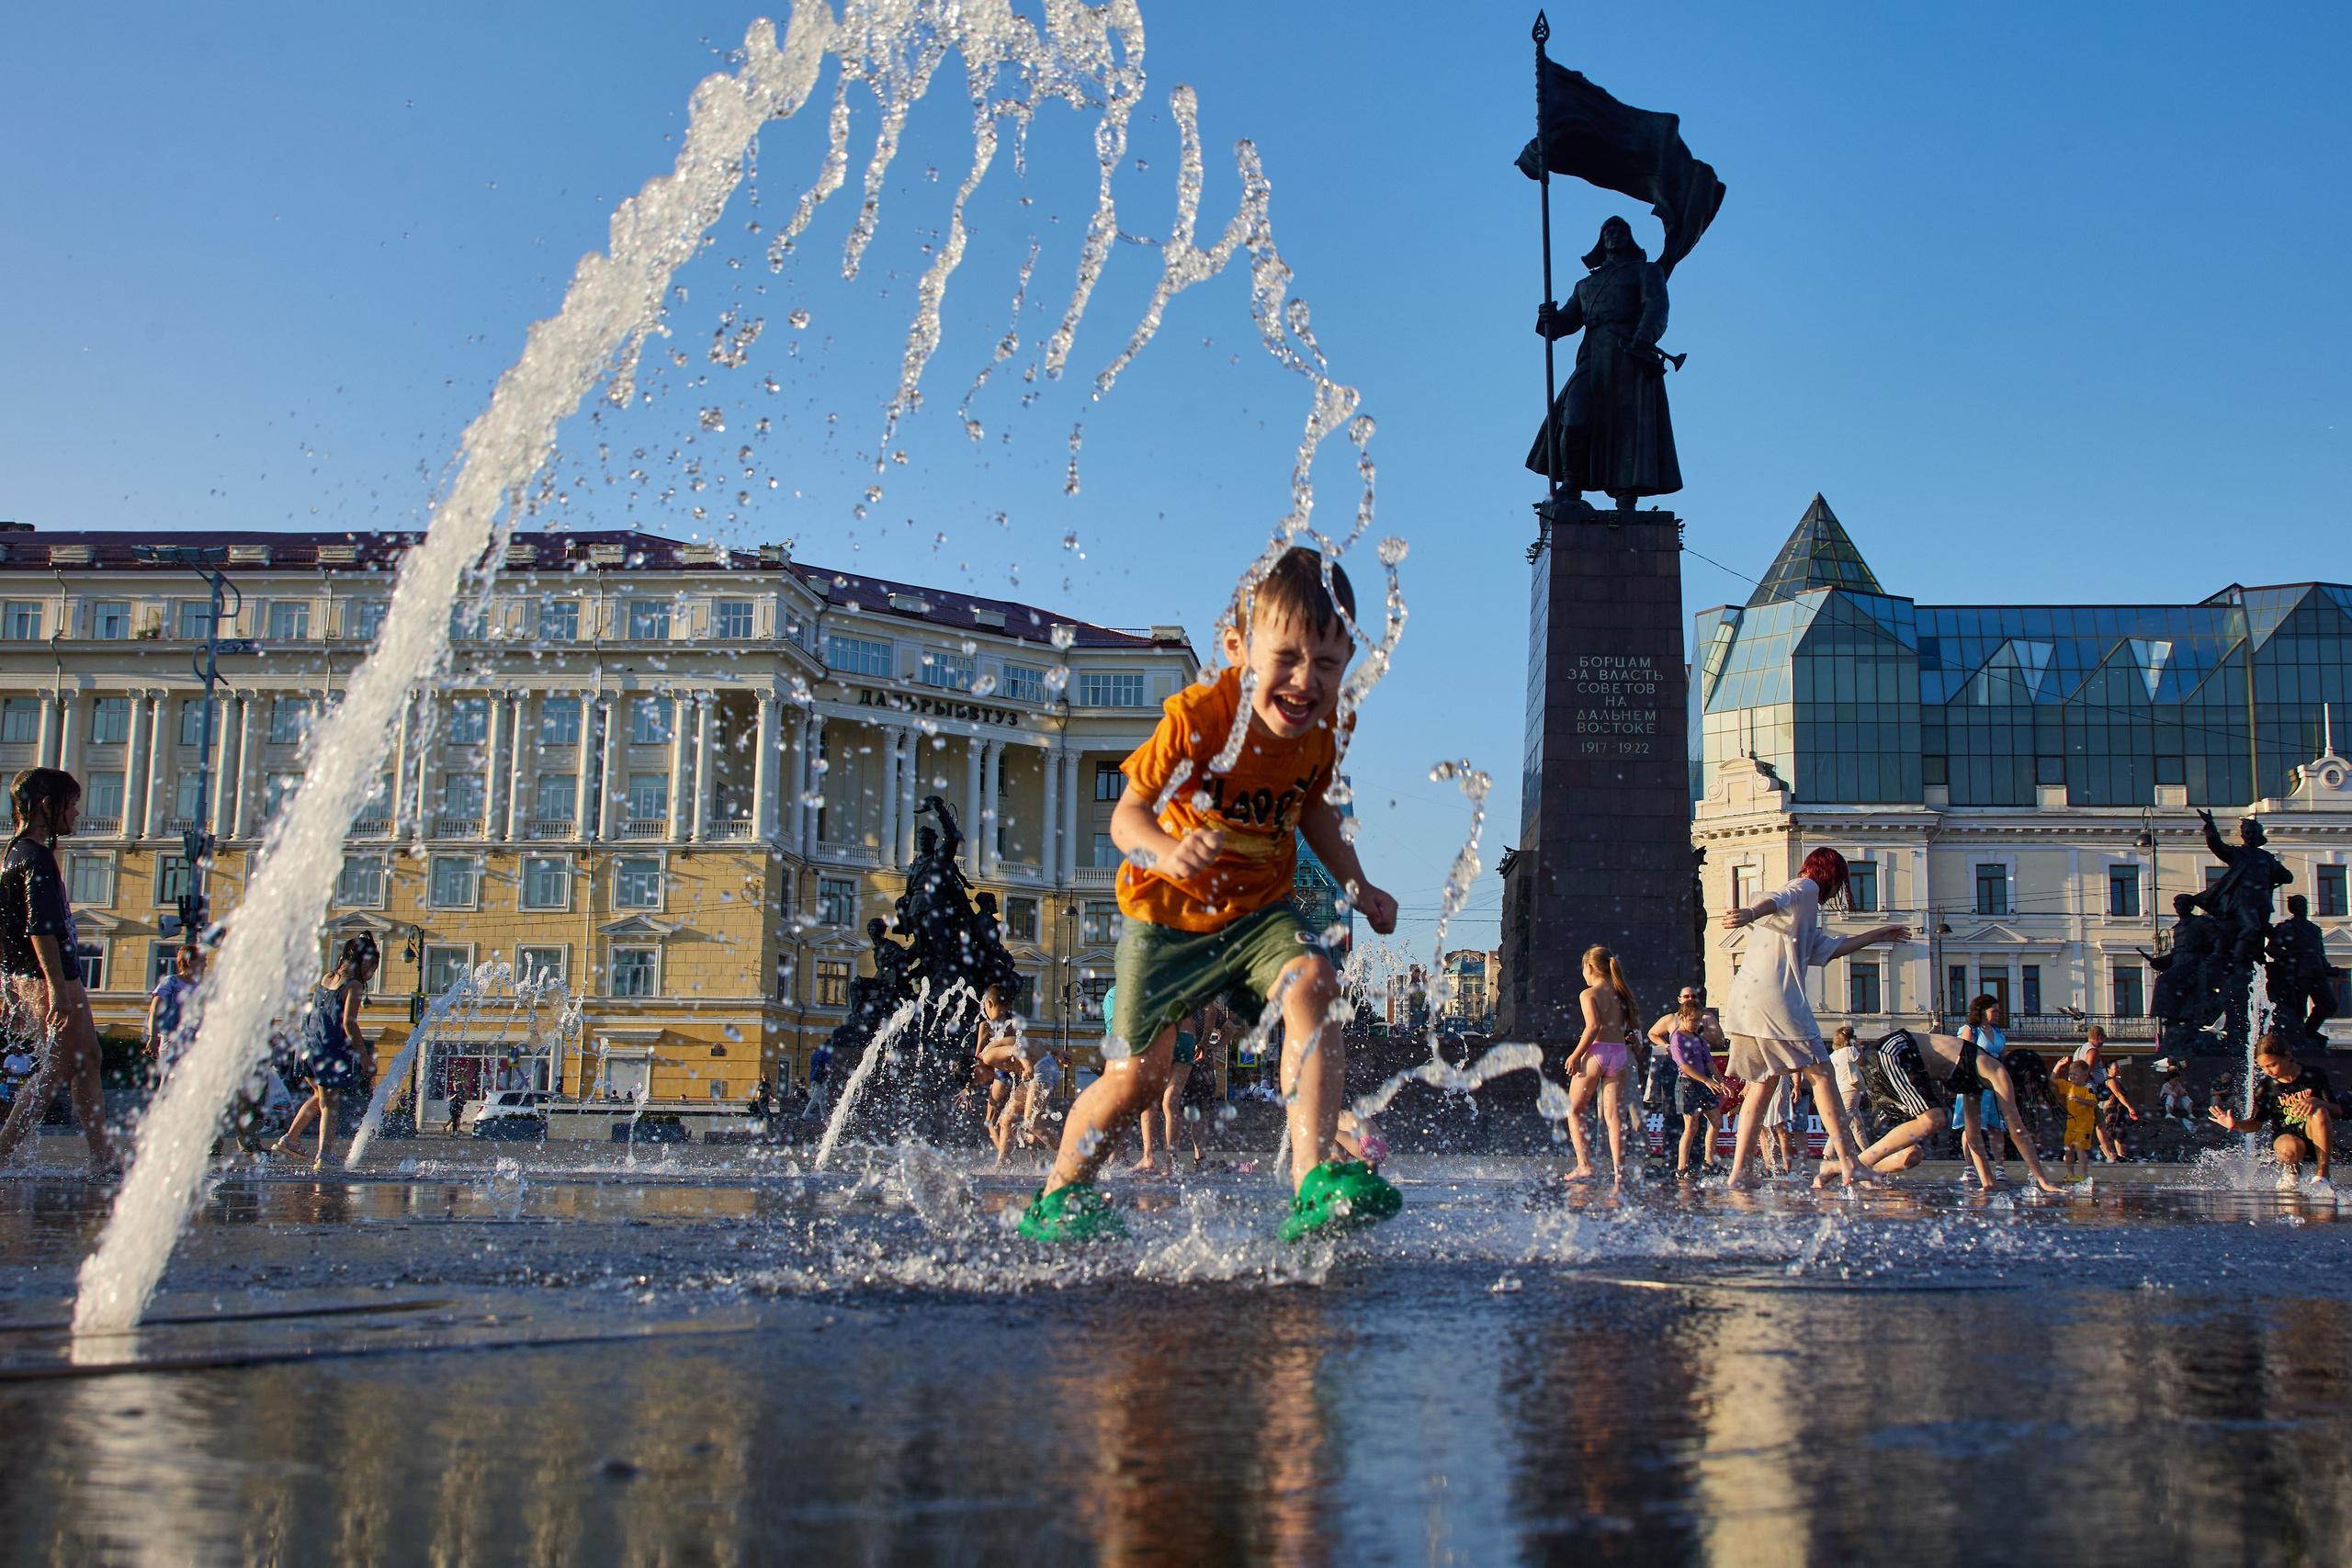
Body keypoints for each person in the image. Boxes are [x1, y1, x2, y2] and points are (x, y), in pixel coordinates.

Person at [1020, 547, 1402, 1243]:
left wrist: (1358, 882)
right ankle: (1060, 1194)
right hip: (1167, 917)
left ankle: (1311, 1179)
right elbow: (1125, 816)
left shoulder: (1324, 731)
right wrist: (1169, 851)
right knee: (1136, 1078)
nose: (1304, 681)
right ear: (1238, 647)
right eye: (1285, 657)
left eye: (1327, 663)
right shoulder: (1201, 715)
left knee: (1315, 983)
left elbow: (1314, 809)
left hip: (1259, 912)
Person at [1719, 848, 1906, 1189]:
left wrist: (1877, 935)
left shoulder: (1801, 917)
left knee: (1761, 1086)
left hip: (1745, 1001)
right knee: (1822, 1075)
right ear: (1830, 875)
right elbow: (1776, 898)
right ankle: (1850, 1164)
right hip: (1777, 1000)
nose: (1838, 892)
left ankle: (1739, 1172)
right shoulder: (1805, 889)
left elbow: (1829, 949)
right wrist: (1749, 911)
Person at [0, 768, 121, 1173]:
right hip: (48, 975)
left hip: (50, 974)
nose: (75, 815)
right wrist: (56, 988)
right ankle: (3, 1151)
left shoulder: (17, 853)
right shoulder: (34, 856)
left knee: (87, 1056)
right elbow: (40, 927)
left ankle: (103, 1157)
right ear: (46, 807)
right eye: (70, 805)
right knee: (62, 1065)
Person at [1851, 1027, 2064, 1192]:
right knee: (1934, 1119)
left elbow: (1973, 1136)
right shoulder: (1996, 1071)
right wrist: (2043, 1181)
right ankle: (1856, 1166)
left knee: (1912, 1152)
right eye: (2031, 1085)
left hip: (1892, 1056)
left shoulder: (1977, 1077)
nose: (2028, 1091)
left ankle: (1864, 1170)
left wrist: (1988, 1183)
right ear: (2026, 1075)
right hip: (1893, 1051)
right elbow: (2017, 1130)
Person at [272, 935, 377, 1165]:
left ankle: (290, 1139)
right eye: (372, 967)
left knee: (320, 1095)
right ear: (366, 962)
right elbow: (350, 1023)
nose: (372, 974)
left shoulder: (327, 978)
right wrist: (364, 1058)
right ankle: (325, 1156)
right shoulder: (353, 985)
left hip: (310, 1044)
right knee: (330, 1103)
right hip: (329, 1048)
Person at [1561, 945, 1641, 1186]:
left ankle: (1584, 1165)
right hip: (1618, 1054)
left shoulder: (1589, 994)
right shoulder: (1623, 993)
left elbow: (1593, 1027)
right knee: (1615, 1117)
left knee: (1574, 1110)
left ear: (1589, 968)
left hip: (1595, 1053)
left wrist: (1576, 1055)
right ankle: (1619, 1172)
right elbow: (1633, 1030)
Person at [2209, 1032, 2332, 1188]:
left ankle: (2322, 1174)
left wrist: (2315, 1101)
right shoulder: (2265, 1088)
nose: (2268, 1071)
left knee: (2320, 1111)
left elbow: (2338, 1111)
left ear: (2287, 1056)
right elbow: (2256, 1123)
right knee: (2289, 1150)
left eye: (2272, 1065)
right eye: (2263, 1067)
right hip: (2287, 1141)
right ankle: (2291, 1172)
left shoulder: (2314, 1075)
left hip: (2316, 1137)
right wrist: (2236, 1125)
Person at [1651, 987, 1728, 1176]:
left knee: (1716, 1121)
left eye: (1698, 1021)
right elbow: (1684, 1065)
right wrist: (1706, 1081)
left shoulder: (1698, 1038)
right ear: (1682, 1017)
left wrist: (1720, 1080)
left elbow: (1709, 1061)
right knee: (1690, 1126)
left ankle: (1708, 1160)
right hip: (1687, 1085)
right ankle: (1681, 1166)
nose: (1696, 1025)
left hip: (1703, 1083)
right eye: (1693, 1021)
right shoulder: (1677, 1037)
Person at [1135, 1003, 1209, 1175]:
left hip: (1160, 1034)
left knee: (1150, 1100)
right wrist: (1204, 1041)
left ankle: (1149, 1158)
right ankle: (1168, 1161)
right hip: (1186, 1036)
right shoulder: (1189, 977)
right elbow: (1209, 1008)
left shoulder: (1156, 976)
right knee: (1170, 1103)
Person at [1956, 995, 2010, 1186]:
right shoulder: (1970, 1030)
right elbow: (1965, 1055)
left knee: (1996, 1127)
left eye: (1998, 1011)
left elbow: (2003, 1054)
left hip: (1994, 1083)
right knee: (1971, 1126)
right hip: (1975, 1083)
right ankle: (1970, 1167)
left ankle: (2000, 1167)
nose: (1997, 1015)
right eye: (1993, 1011)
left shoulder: (1996, 1031)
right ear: (1981, 1011)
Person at [147, 943, 206, 1076]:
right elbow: (154, 1010)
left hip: (193, 1044)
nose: (205, 966)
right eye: (202, 961)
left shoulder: (200, 988)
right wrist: (153, 1037)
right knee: (168, 1084)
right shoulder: (171, 982)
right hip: (171, 1041)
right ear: (190, 962)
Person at [2054, 1058, 2098, 1181]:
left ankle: (2083, 1175)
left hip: (2084, 1125)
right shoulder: (2068, 1086)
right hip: (2071, 1125)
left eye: (2076, 1074)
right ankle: (2070, 1173)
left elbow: (2093, 1102)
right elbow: (2052, 1079)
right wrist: (2058, 1065)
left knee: (2080, 1149)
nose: (2072, 1077)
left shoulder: (2088, 1088)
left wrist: (2078, 1099)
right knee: (2068, 1149)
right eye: (2071, 1074)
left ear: (2085, 1076)